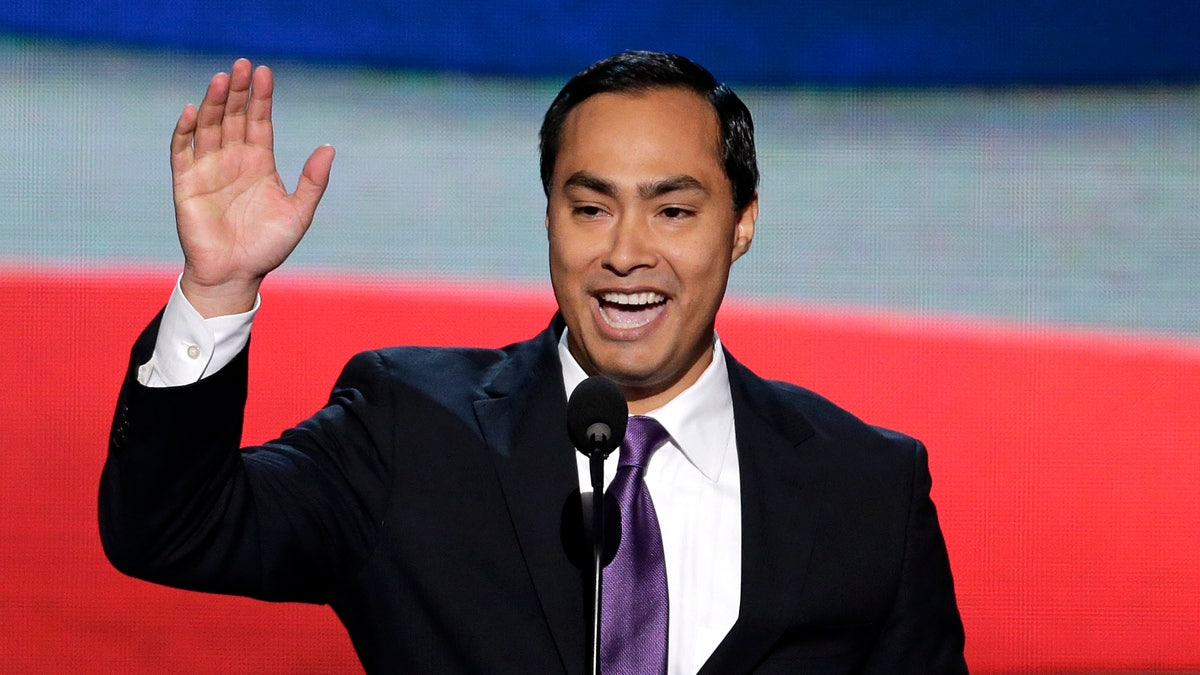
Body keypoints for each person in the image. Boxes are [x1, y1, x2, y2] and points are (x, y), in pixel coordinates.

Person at [100, 51, 967, 673]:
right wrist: (216, 291)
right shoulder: (410, 428)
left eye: (672, 212)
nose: (626, 252)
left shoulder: (868, 487)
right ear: (549, 216)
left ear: (740, 224)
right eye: (590, 208)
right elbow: (172, 529)